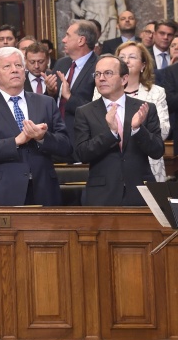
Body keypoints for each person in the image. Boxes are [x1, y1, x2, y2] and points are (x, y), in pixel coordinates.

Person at [0, 47, 72, 206]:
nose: (14, 70)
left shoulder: (45, 102)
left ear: (24, 71)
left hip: (43, 191)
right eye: (7, 66)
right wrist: (15, 141)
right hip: (0, 192)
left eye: (18, 65)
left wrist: (42, 137)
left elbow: (66, 147)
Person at [75, 54, 163, 205]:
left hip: (140, 192)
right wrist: (111, 134)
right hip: (102, 194)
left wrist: (138, 129)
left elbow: (157, 151)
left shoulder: (145, 109)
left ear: (124, 79)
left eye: (108, 73)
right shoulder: (85, 112)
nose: (101, 78)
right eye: (97, 74)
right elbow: (82, 153)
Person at [98, 42, 169, 182]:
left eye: (132, 57)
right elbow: (97, 126)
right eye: (122, 57)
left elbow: (164, 130)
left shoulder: (156, 93)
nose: (126, 60)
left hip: (148, 164)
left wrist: (138, 128)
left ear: (143, 65)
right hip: (110, 165)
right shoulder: (101, 91)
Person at [47, 20, 98, 152]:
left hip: (82, 141)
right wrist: (51, 92)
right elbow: (53, 101)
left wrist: (69, 97)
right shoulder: (61, 64)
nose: (63, 40)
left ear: (81, 40)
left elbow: (98, 110)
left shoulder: (100, 67)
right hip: (56, 138)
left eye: (68, 35)